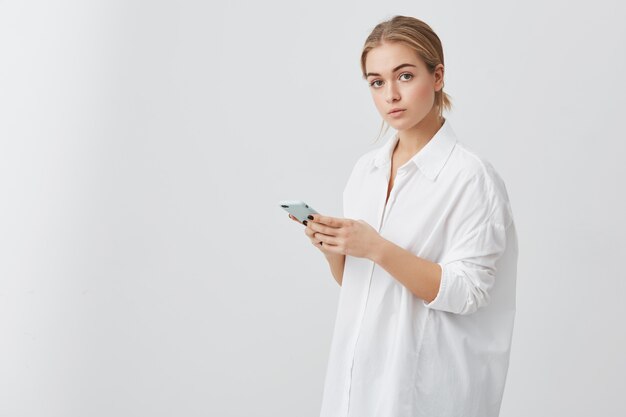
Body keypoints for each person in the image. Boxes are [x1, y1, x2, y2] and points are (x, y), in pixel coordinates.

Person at [287, 15, 518, 417]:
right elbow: (361, 284)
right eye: (376, 82)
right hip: (355, 388)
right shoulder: (366, 171)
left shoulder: (470, 177)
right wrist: (335, 250)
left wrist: (375, 246)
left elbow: (469, 293)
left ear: (438, 76)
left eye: (405, 76)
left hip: (425, 391)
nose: (390, 94)